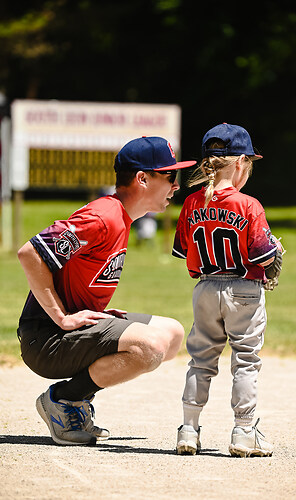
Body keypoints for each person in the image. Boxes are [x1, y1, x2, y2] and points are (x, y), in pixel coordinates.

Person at [17, 136, 196, 446]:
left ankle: (77, 398)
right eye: (169, 176)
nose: (175, 186)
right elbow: (31, 253)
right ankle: (63, 400)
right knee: (149, 346)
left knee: (172, 335)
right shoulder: (102, 217)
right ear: (142, 178)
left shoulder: (121, 218)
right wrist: (61, 317)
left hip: (66, 332)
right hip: (45, 338)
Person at [172, 123, 284, 457]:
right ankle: (244, 432)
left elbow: (184, 253)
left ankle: (188, 430)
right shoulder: (249, 205)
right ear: (239, 164)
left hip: (205, 288)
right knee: (246, 361)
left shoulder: (192, 203)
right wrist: (274, 251)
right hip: (244, 289)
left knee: (200, 361)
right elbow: (263, 256)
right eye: (248, 164)